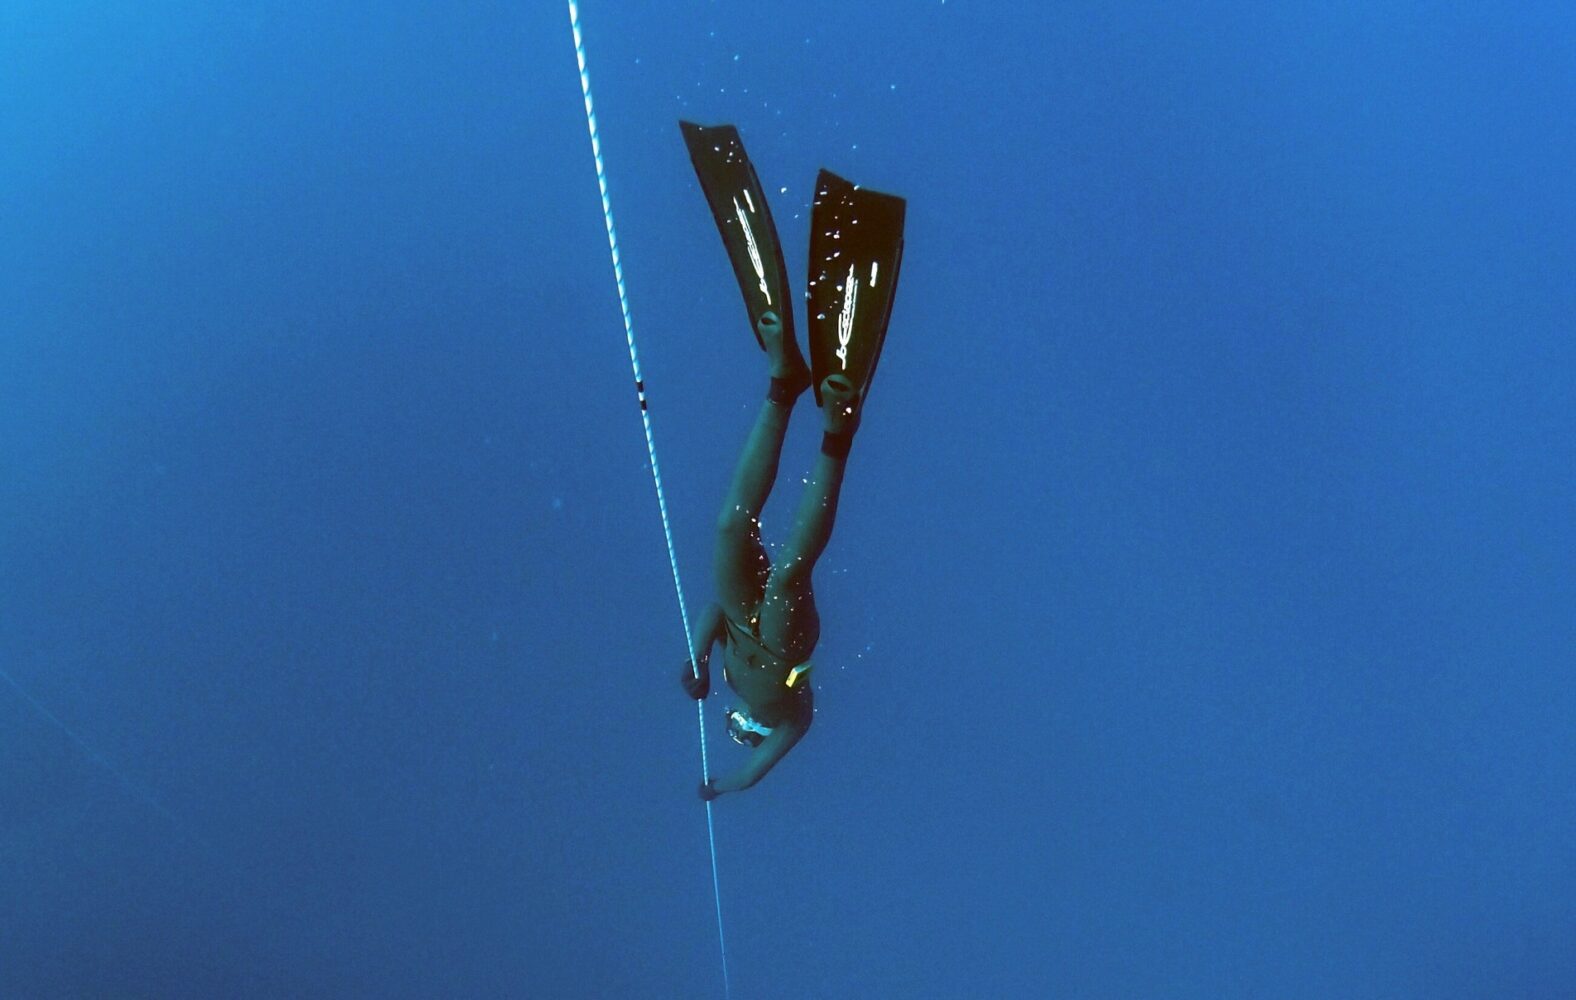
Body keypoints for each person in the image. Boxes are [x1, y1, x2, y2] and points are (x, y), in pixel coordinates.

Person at [676, 122, 906, 799]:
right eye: (748, 734)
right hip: (785, 643)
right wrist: (726, 787)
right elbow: (759, 769)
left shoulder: (727, 680)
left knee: (727, 526)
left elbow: (714, 619)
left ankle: (784, 385)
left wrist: (693, 659)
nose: (746, 728)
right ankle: (838, 433)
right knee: (787, 579)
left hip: (741, 619)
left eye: (738, 730)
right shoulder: (791, 716)